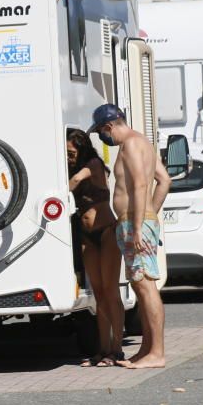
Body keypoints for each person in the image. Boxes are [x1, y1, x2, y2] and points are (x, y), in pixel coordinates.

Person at [88, 104, 171, 369]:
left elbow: (140, 184)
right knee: (139, 284)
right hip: (136, 220)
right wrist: (150, 215)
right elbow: (165, 180)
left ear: (110, 126)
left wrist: (139, 226)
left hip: (135, 223)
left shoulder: (132, 144)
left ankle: (156, 353)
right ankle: (146, 350)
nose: (104, 137)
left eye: (102, 131)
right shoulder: (143, 143)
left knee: (145, 286)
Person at [66, 129, 123, 367]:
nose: (68, 157)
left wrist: (60, 191)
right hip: (87, 235)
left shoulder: (93, 164)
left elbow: (78, 181)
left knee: (111, 291)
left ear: (82, 148)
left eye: (71, 152)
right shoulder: (74, 166)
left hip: (107, 231)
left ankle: (117, 349)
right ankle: (103, 349)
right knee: (98, 294)